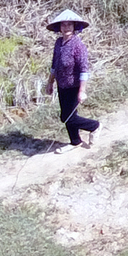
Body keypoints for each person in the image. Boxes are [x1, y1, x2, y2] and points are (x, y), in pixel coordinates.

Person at [43, 9, 98, 153]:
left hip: (74, 86)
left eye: (69, 25)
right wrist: (50, 83)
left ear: (74, 27)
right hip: (62, 85)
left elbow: (84, 69)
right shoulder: (58, 43)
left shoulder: (78, 45)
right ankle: (75, 141)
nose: (66, 27)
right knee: (66, 116)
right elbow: (54, 65)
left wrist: (82, 91)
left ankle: (94, 126)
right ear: (59, 28)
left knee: (68, 117)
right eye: (63, 25)